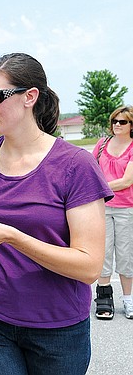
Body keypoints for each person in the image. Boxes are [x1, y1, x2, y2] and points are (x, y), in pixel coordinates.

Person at [0, 53, 112, 374]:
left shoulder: (75, 165)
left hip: (56, 328)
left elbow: (89, 267)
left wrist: (12, 237)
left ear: (29, 97)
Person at [92, 106, 133, 319]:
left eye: (123, 122)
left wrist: (99, 186)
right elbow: (92, 170)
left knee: (126, 256)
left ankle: (128, 300)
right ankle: (104, 297)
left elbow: (127, 181)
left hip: (127, 208)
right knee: (104, 253)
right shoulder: (102, 144)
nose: (117, 124)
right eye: (115, 120)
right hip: (102, 206)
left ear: (131, 125)